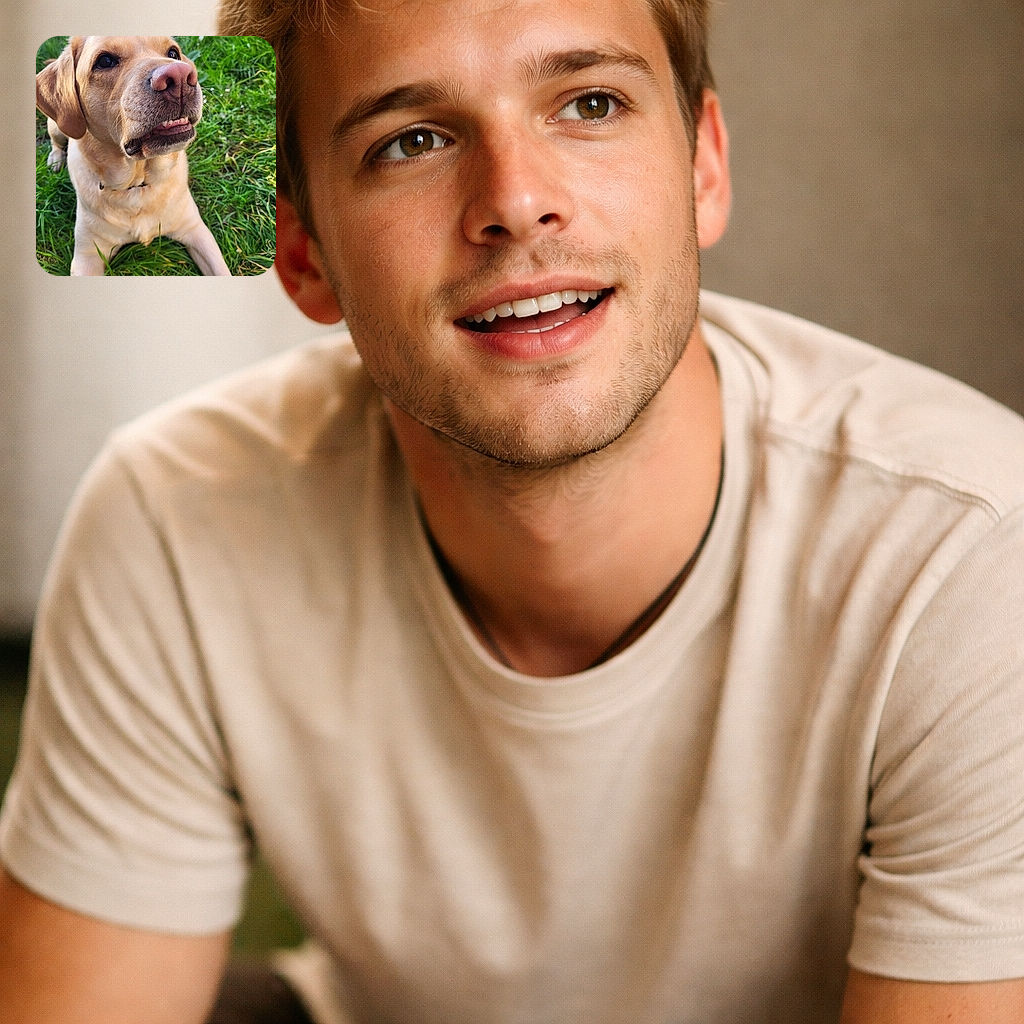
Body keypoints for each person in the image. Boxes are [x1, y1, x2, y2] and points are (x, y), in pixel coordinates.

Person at [1, 0, 1022, 1021]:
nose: (517, 200)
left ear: (703, 166)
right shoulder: (178, 513)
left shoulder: (968, 555)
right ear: (303, 252)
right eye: (412, 140)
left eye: (588, 102)